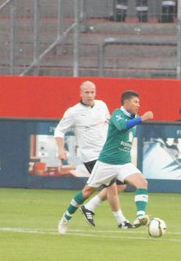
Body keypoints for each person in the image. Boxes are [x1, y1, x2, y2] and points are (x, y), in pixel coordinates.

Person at [58, 90, 154, 234]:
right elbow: (122, 126)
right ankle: (64, 220)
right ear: (126, 102)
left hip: (124, 163)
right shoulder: (117, 114)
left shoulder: (133, 117)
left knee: (142, 183)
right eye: (135, 102)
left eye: (139, 102)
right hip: (107, 163)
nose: (138, 105)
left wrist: (139, 118)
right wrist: (142, 118)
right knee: (87, 192)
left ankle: (140, 217)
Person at [54, 80, 133, 229]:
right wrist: (60, 149)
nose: (90, 95)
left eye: (92, 92)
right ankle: (121, 221)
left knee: (120, 186)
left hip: (107, 153)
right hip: (91, 156)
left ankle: (88, 207)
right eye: (87, 92)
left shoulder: (102, 105)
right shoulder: (73, 112)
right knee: (111, 187)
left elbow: (109, 123)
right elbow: (59, 130)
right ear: (81, 93)